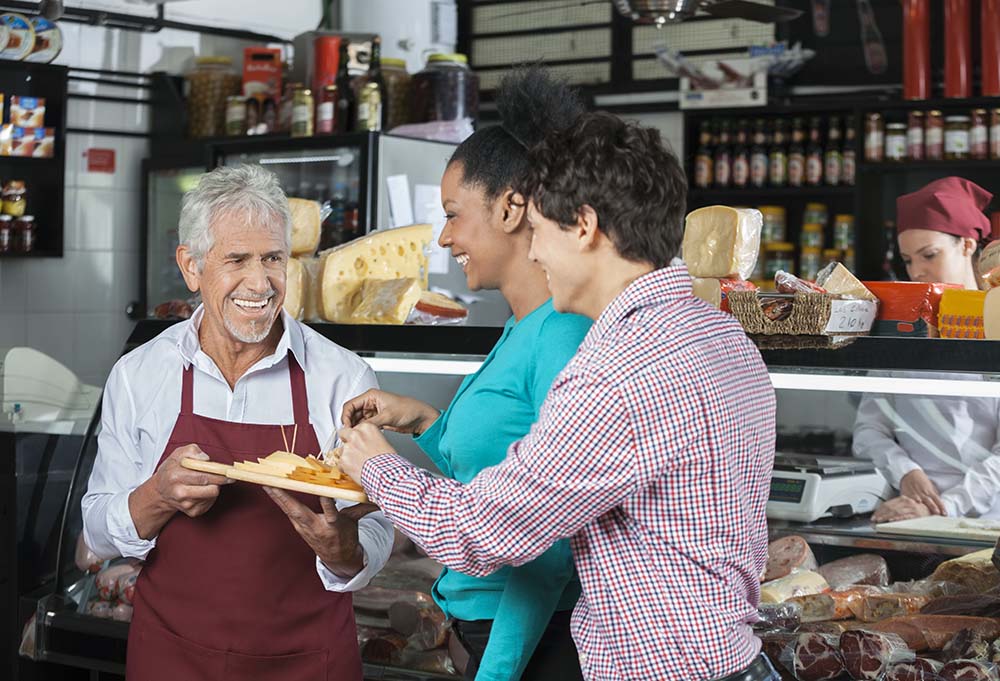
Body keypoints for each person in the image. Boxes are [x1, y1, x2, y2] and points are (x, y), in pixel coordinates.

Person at [338, 112, 779, 681]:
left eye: (540, 231)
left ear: (584, 226)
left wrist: (377, 467)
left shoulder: (618, 370)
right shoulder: (716, 331)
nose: (537, 254)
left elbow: (483, 532)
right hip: (731, 659)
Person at [81, 164, 393, 681]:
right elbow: (96, 528)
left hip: (307, 662)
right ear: (190, 266)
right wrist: (155, 497)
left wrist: (347, 554)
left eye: (273, 258)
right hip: (172, 659)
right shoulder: (141, 374)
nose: (260, 282)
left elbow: (379, 518)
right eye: (237, 259)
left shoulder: (343, 375)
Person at [342, 67, 590, 681]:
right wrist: (422, 419)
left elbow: (552, 547)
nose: (445, 236)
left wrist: (497, 670)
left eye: (454, 214)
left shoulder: (562, 333)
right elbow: (499, 460)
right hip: (479, 630)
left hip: (531, 645)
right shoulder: (519, 324)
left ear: (511, 207)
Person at [857, 177, 1000, 523]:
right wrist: (905, 472)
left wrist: (944, 505)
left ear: (967, 245)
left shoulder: (995, 321)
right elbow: (869, 429)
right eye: (907, 260)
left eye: (929, 255)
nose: (917, 271)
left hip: (984, 524)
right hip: (903, 513)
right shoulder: (900, 330)